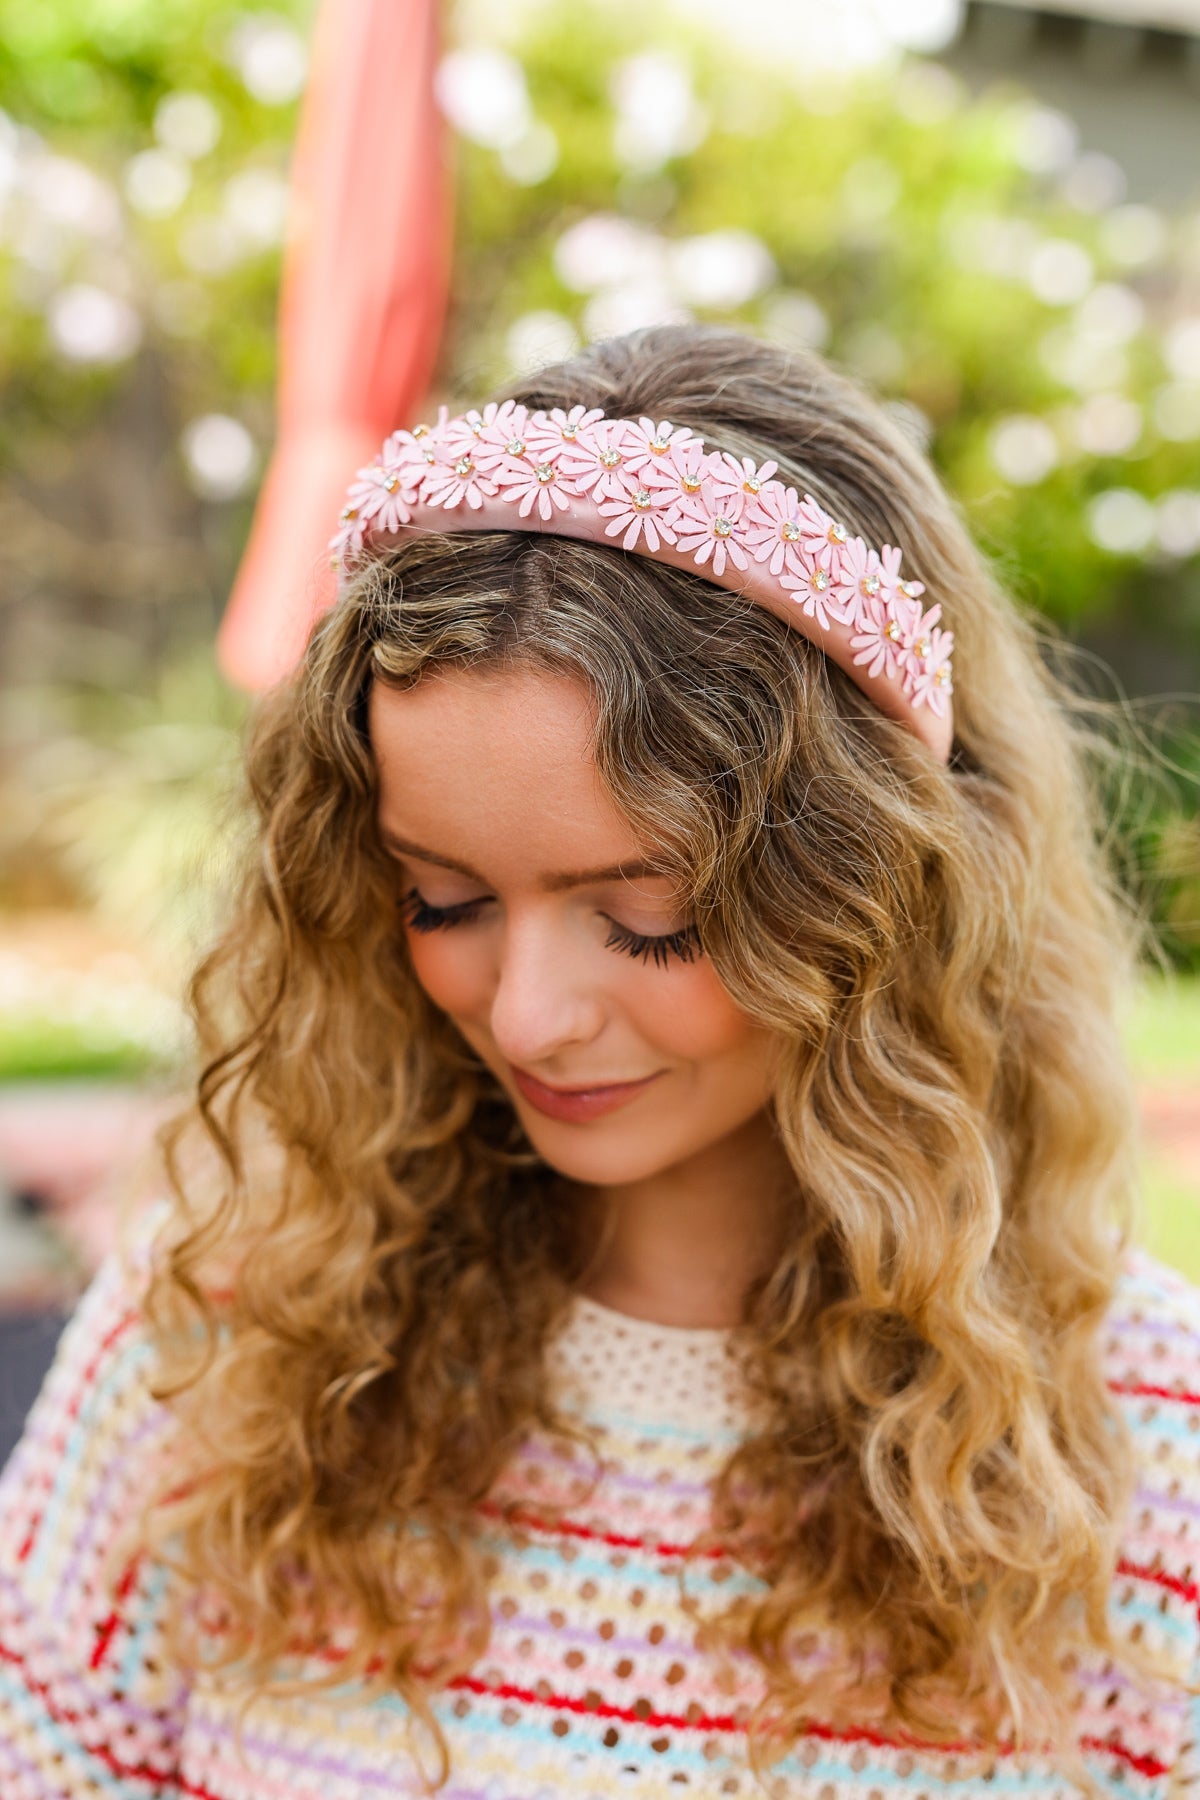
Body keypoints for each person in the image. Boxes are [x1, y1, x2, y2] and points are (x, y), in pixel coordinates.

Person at [1, 323, 1198, 1800]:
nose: (526, 1016)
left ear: (880, 893)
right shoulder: (216, 1355)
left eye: (646, 922)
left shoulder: (1152, 1459)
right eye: (441, 898)